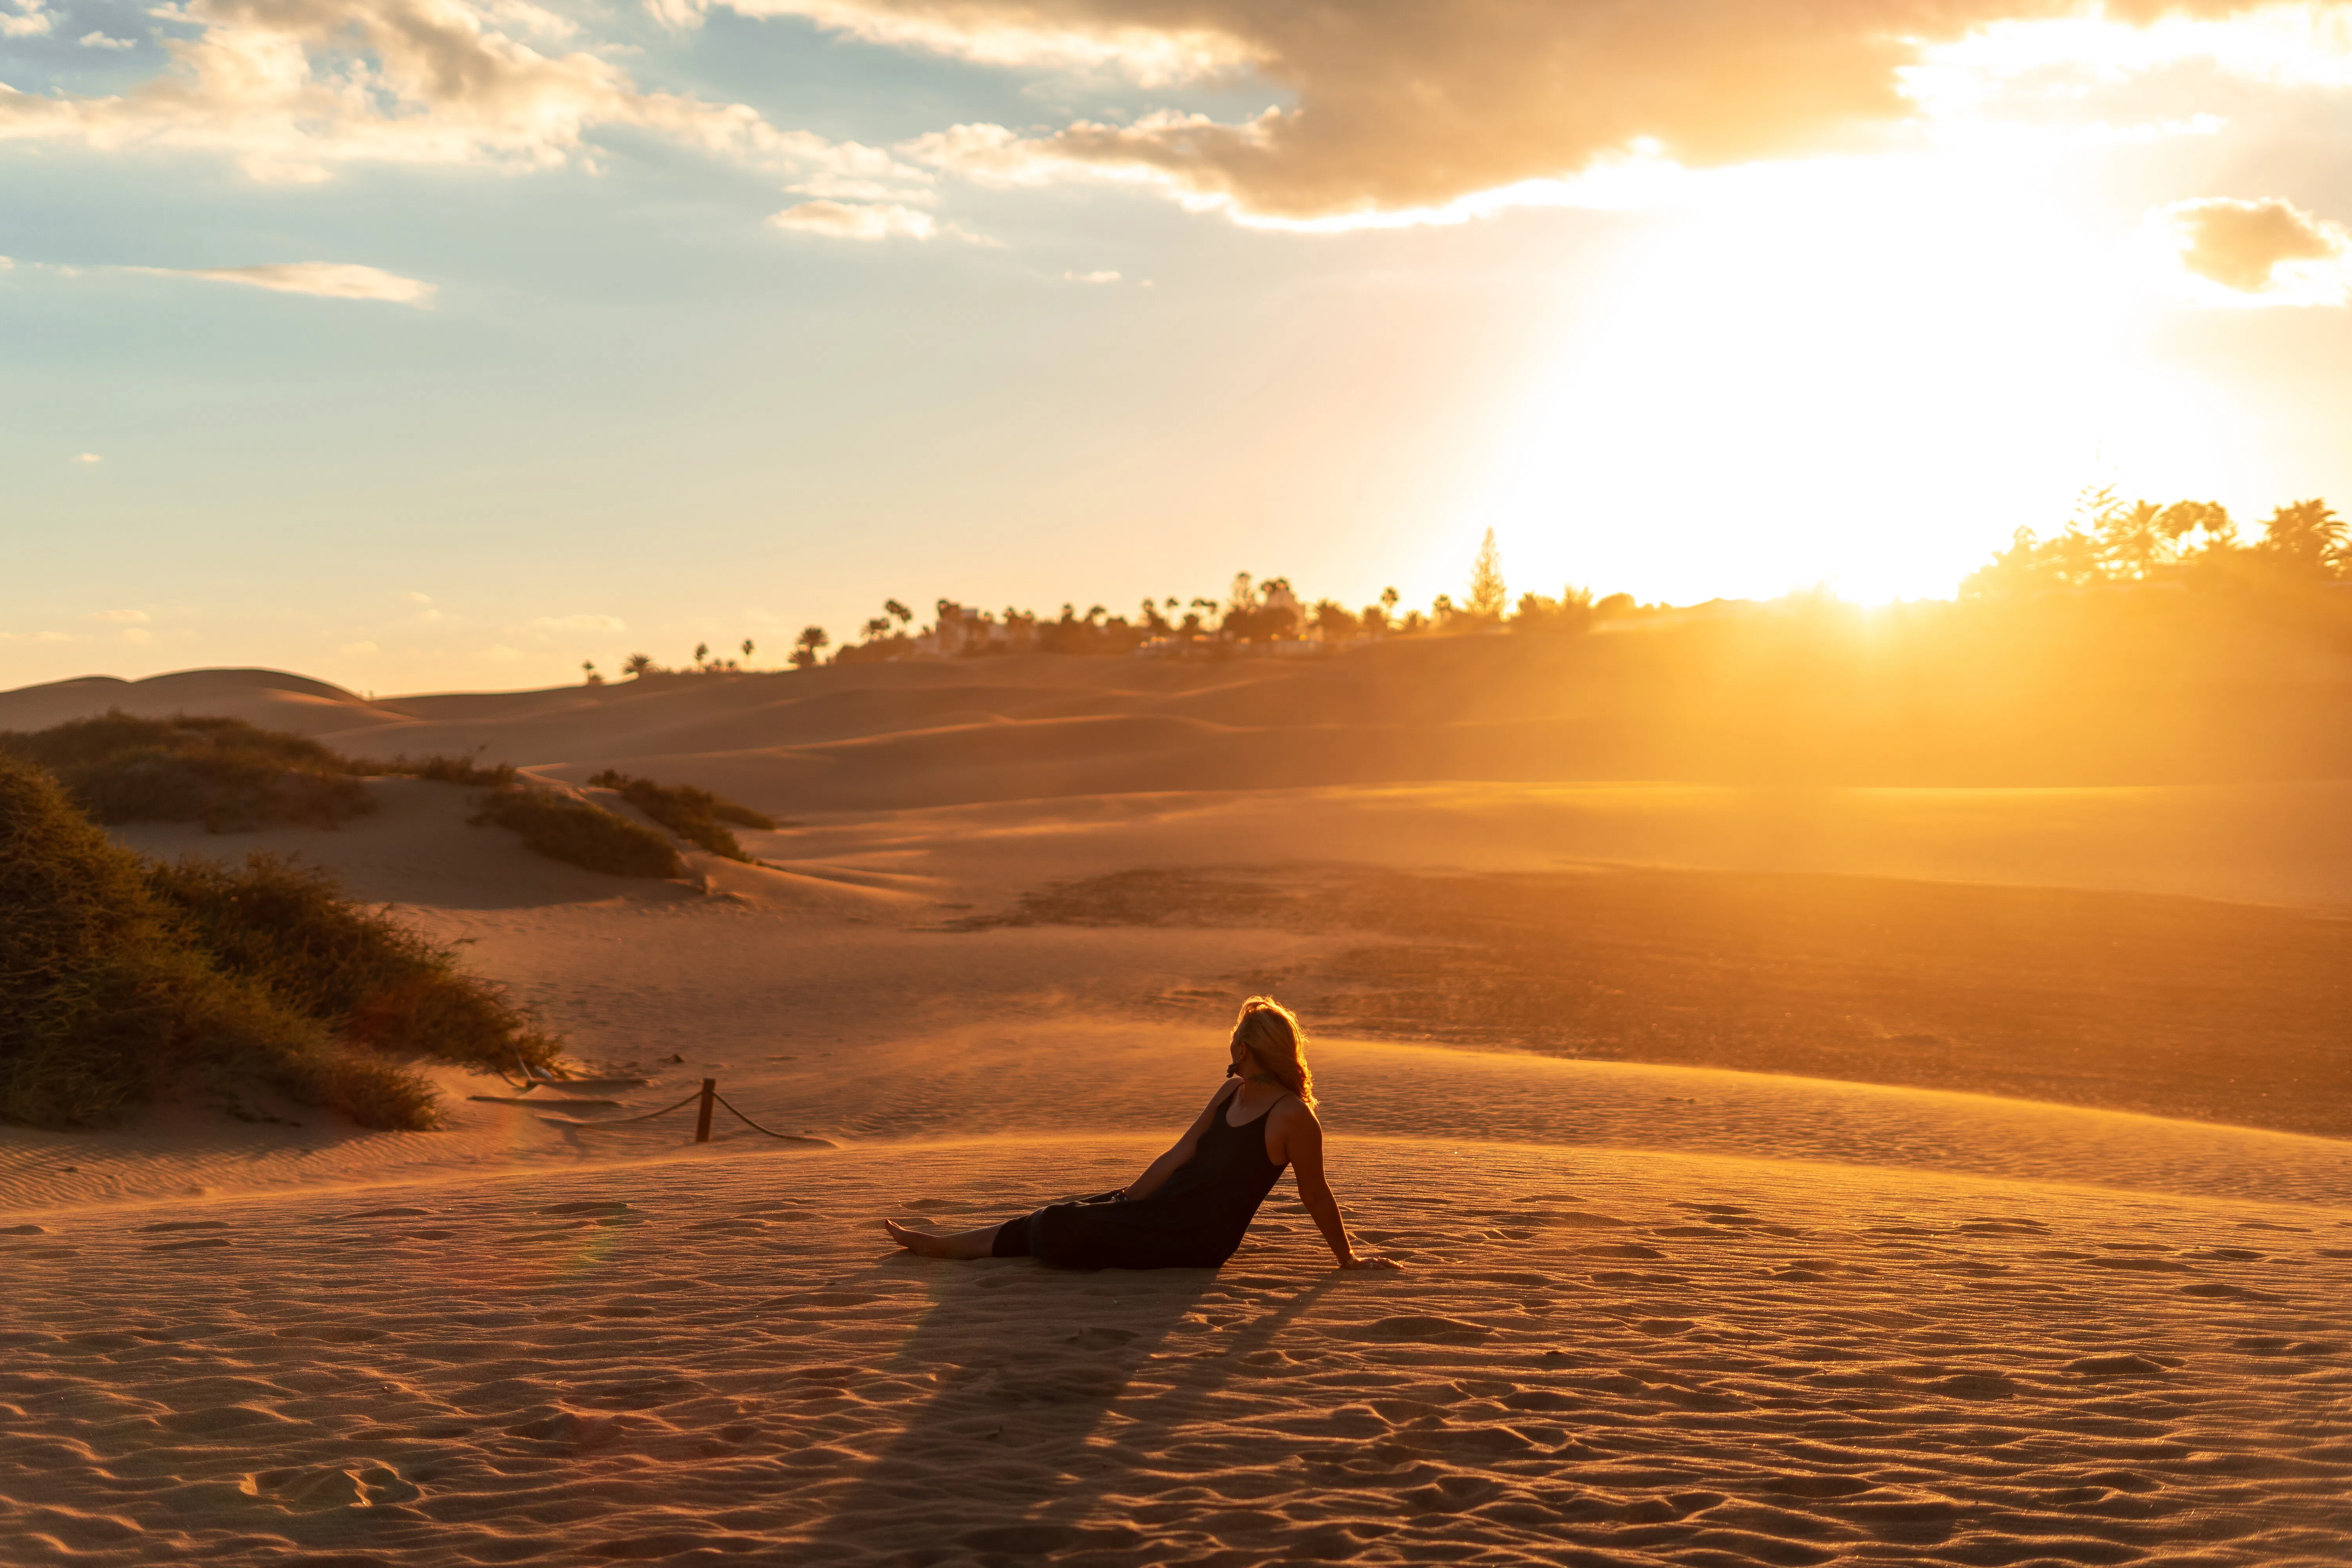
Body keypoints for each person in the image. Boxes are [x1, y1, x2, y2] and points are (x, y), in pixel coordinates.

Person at [883, 998, 1397, 1271]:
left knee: (1064, 1225)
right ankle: (944, 1247)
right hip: (1161, 1212)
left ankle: (949, 1249)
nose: (1231, 1044)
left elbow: (1316, 1195)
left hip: (1197, 1241)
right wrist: (1126, 1200)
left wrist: (1347, 1259)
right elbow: (1179, 1155)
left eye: (1236, 1038)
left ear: (1247, 1049)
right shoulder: (1230, 1094)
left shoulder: (1293, 1118)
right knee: (1068, 1212)